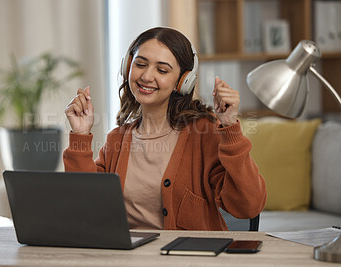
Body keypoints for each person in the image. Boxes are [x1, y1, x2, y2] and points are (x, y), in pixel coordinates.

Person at [63, 27, 266, 231]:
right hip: (129, 259)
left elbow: (248, 206)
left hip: (189, 259)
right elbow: (85, 208)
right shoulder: (116, 140)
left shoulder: (204, 133)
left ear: (183, 81)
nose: (147, 76)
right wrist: (80, 135)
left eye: (162, 70)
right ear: (127, 67)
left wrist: (230, 128)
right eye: (140, 64)